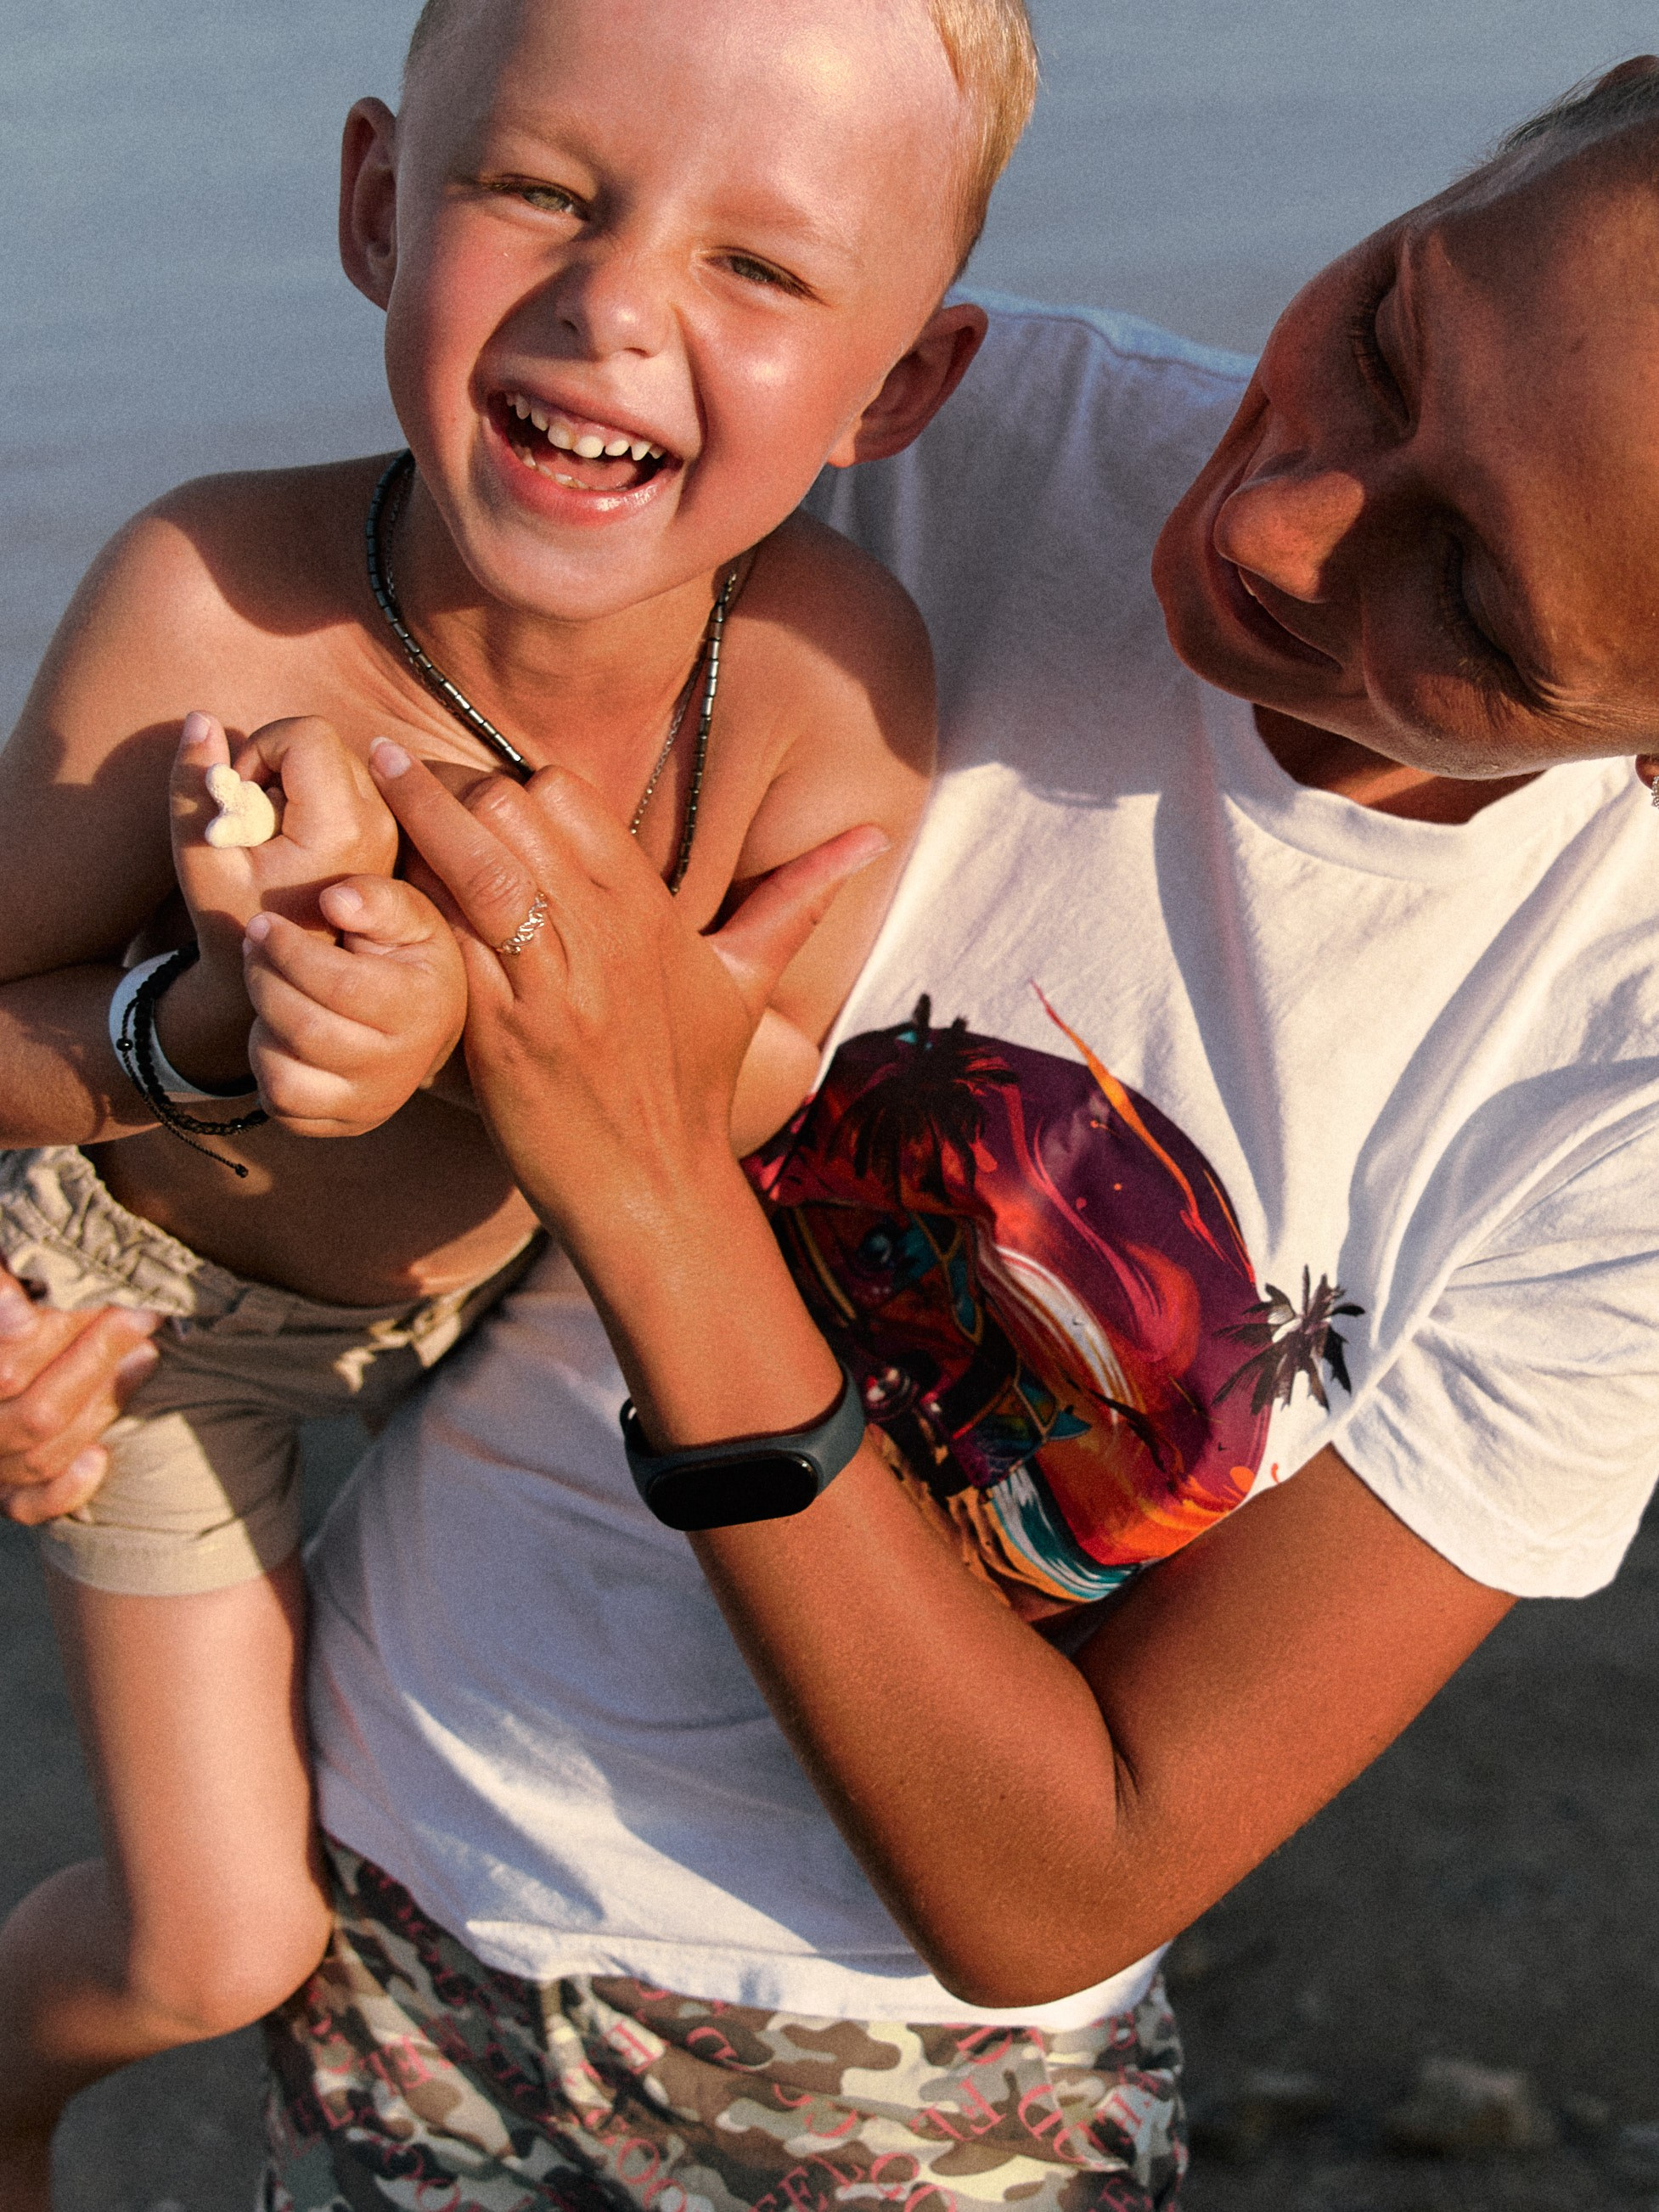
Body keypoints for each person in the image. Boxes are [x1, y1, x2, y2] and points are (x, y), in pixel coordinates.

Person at [9, 48, 1659, 2212]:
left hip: (930, 2104)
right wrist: (88, 1241)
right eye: (1382, 331)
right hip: (392, 1845)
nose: (1275, 522)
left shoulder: (1606, 1103)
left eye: (1467, 605)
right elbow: (264, 974)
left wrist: (650, 1177)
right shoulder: (923, 444)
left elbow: (1058, 1881)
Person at [0, 0, 1038, 2197]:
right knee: (220, 1937)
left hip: (510, 1342)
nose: (617, 303)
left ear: (901, 382)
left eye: (761, 265)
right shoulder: (218, 601)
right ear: (381, 200)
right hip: (158, 1318)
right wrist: (202, 1021)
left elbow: (728, 1101)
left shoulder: (833, 683)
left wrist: (463, 1003)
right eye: (541, 190)